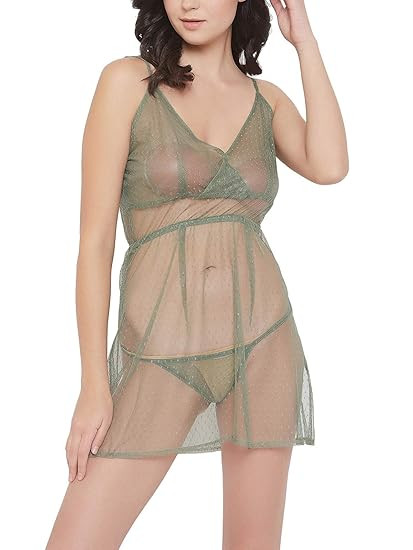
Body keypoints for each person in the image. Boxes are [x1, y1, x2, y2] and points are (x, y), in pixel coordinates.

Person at [46, 0, 348, 548]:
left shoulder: (267, 101)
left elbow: (329, 165)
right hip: (160, 348)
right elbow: (94, 243)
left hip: (262, 342)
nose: (189, 3)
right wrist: (93, 384)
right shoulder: (127, 84)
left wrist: (304, 42)